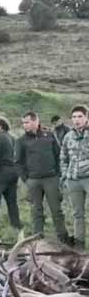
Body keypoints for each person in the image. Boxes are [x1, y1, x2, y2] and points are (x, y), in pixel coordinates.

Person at [15, 111, 70, 243]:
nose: (25, 125)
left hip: (51, 179)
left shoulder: (49, 136)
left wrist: (58, 175)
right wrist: (26, 179)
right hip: (33, 180)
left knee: (56, 210)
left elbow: (59, 155)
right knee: (36, 211)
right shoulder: (21, 141)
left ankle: (63, 239)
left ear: (35, 121)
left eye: (27, 122)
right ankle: (37, 240)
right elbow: (18, 162)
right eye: (23, 123)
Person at [60, 105, 89, 248]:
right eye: (74, 117)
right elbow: (63, 157)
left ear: (86, 118)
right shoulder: (68, 136)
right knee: (78, 214)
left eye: (80, 116)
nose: (76, 120)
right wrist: (65, 175)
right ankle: (79, 245)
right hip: (73, 180)